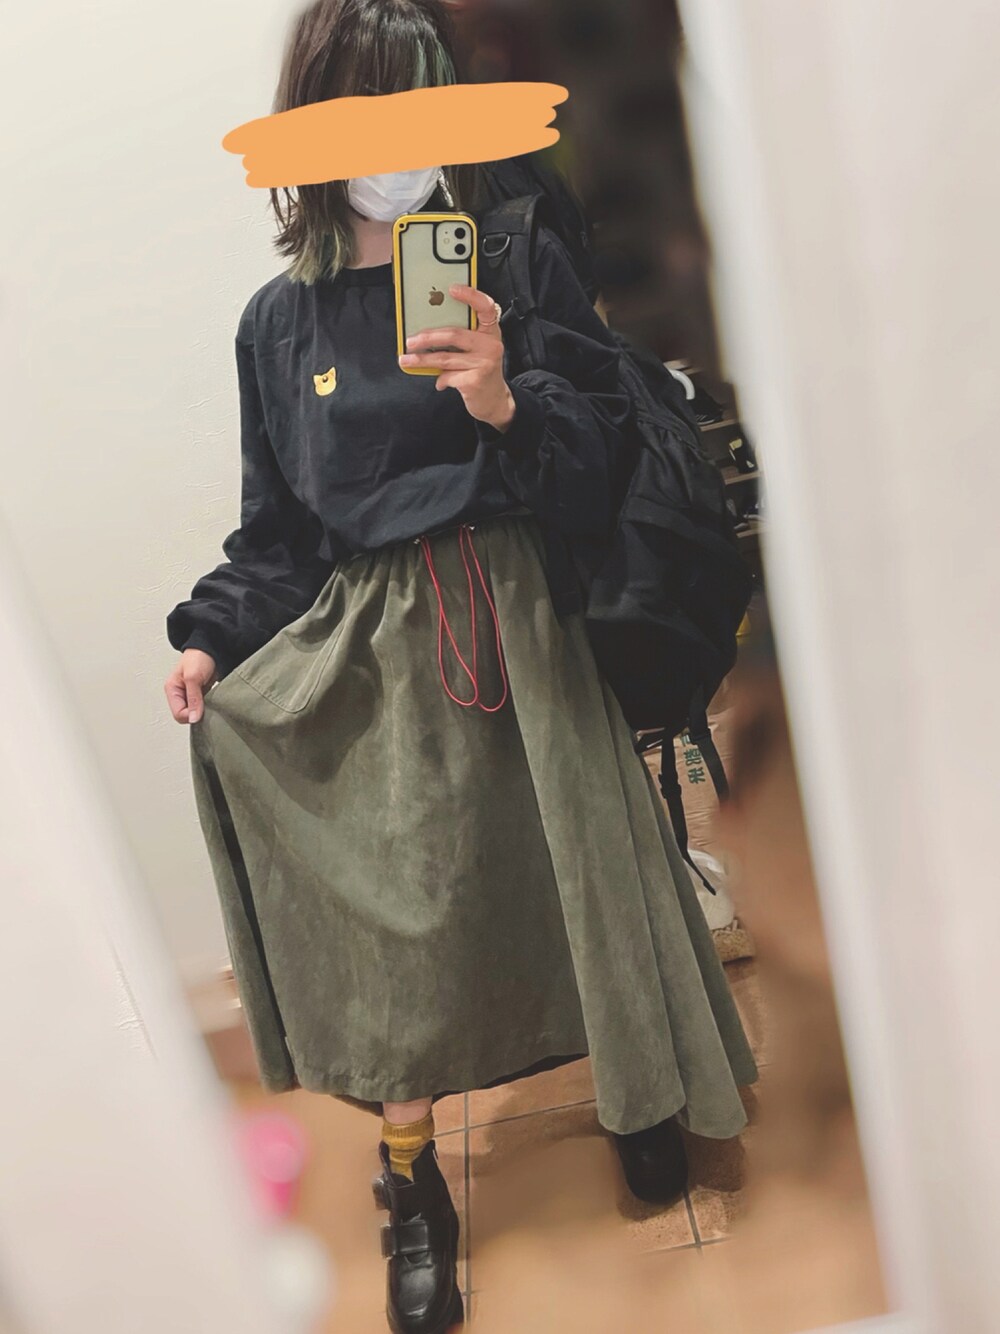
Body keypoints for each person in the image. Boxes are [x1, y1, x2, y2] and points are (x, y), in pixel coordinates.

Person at [163, 3, 758, 1331]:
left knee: (585, 876)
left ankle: (643, 1098)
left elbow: (606, 452)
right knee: (408, 925)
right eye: (372, 109)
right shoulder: (280, 325)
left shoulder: (513, 254)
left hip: (530, 618)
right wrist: (209, 636)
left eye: (423, 102)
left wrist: (502, 397)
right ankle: (411, 1180)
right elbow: (281, 536)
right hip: (384, 649)